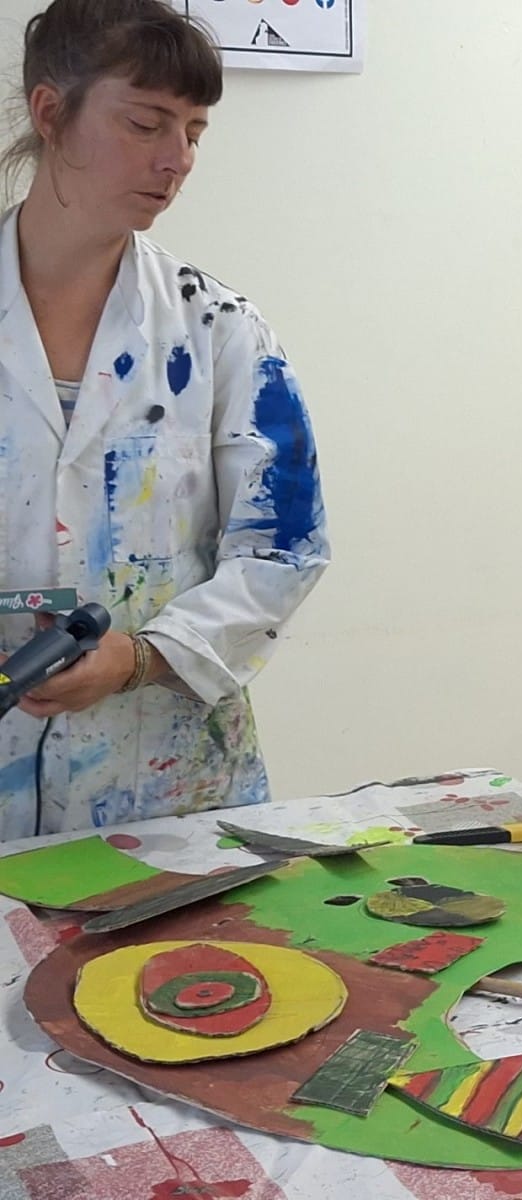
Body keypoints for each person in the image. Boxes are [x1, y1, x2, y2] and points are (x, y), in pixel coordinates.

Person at [0, 0, 330, 839]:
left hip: (167, 790)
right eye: (146, 123)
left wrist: (141, 657)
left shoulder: (219, 330)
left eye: (194, 132)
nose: (176, 158)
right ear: (51, 113)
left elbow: (286, 549)